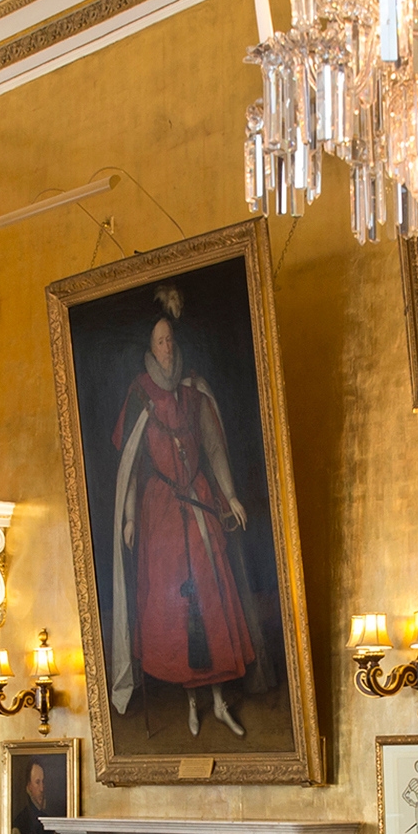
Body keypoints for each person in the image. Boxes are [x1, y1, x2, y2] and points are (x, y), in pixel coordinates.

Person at [104, 290, 258, 737]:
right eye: (159, 342)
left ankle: (218, 701)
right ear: (149, 350)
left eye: (170, 339)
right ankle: (192, 702)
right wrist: (131, 517)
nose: (167, 347)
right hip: (162, 512)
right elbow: (131, 468)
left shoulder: (193, 391)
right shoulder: (139, 395)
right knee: (177, 607)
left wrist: (230, 496)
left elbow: (212, 446)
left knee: (211, 600)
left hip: (200, 502)